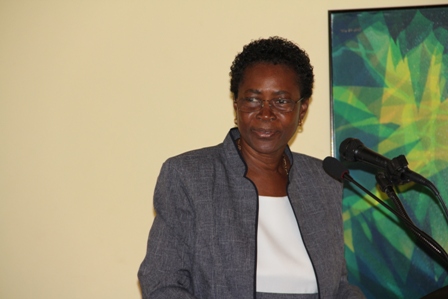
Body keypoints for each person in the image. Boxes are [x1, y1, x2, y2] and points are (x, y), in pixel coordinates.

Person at [138, 37, 365, 299]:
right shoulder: (189, 177)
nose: (265, 113)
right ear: (236, 106)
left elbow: (338, 285)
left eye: (281, 101)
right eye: (253, 100)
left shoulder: (323, 180)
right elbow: (162, 281)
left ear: (302, 110)